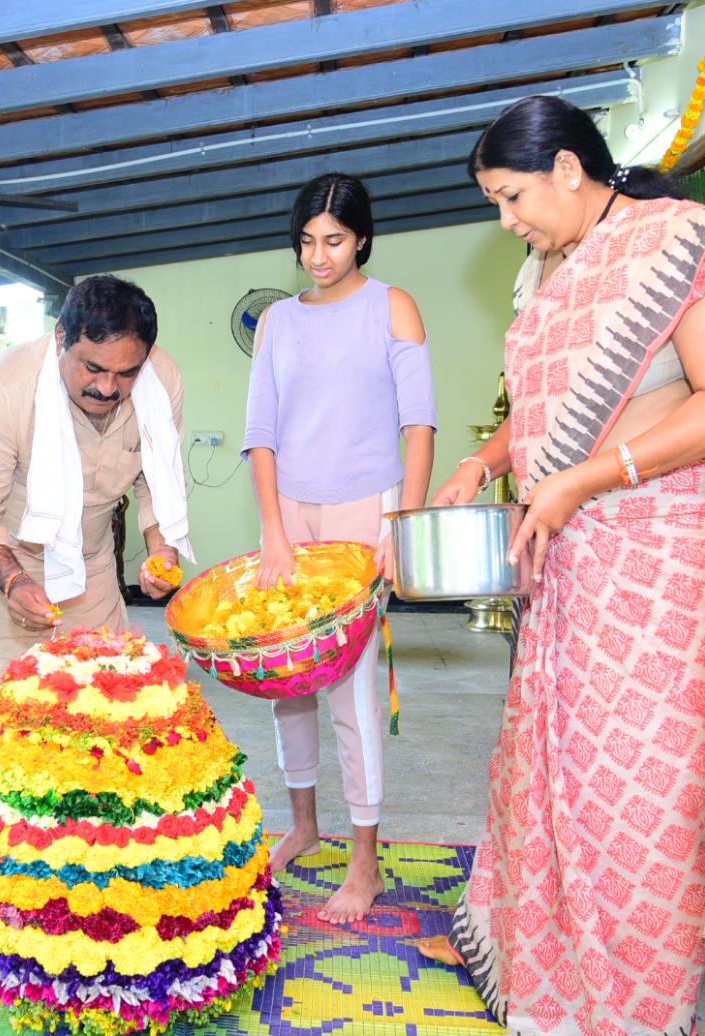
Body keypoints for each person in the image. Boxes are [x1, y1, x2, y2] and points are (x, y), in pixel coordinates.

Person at [420, 95, 705, 1034]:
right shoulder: (556, 267)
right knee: (554, 777)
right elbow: (541, 412)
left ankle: (636, 1007)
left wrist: (585, 478)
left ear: (569, 172)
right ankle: (551, 981)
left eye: (510, 197)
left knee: (640, 796)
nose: (506, 221)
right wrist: (486, 459)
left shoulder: (673, 246)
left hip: (652, 564)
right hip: (567, 563)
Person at [242, 173, 436, 924]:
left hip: (369, 507)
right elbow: (261, 429)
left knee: (353, 689)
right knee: (285, 676)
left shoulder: (393, 307)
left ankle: (365, 861)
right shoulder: (277, 323)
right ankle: (302, 823)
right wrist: (272, 529)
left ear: (361, 238)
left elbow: (418, 422)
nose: (318, 257)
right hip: (289, 509)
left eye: (334, 241)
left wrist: (401, 521)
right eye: (306, 243)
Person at [0, 275, 192, 718]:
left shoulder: (161, 379)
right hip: (3, 564)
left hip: (88, 565)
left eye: (126, 373)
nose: (108, 388)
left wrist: (161, 549)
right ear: (61, 338)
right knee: (13, 713)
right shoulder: (6, 389)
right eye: (92, 368)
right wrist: (15, 583)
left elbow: (160, 476)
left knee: (109, 700)